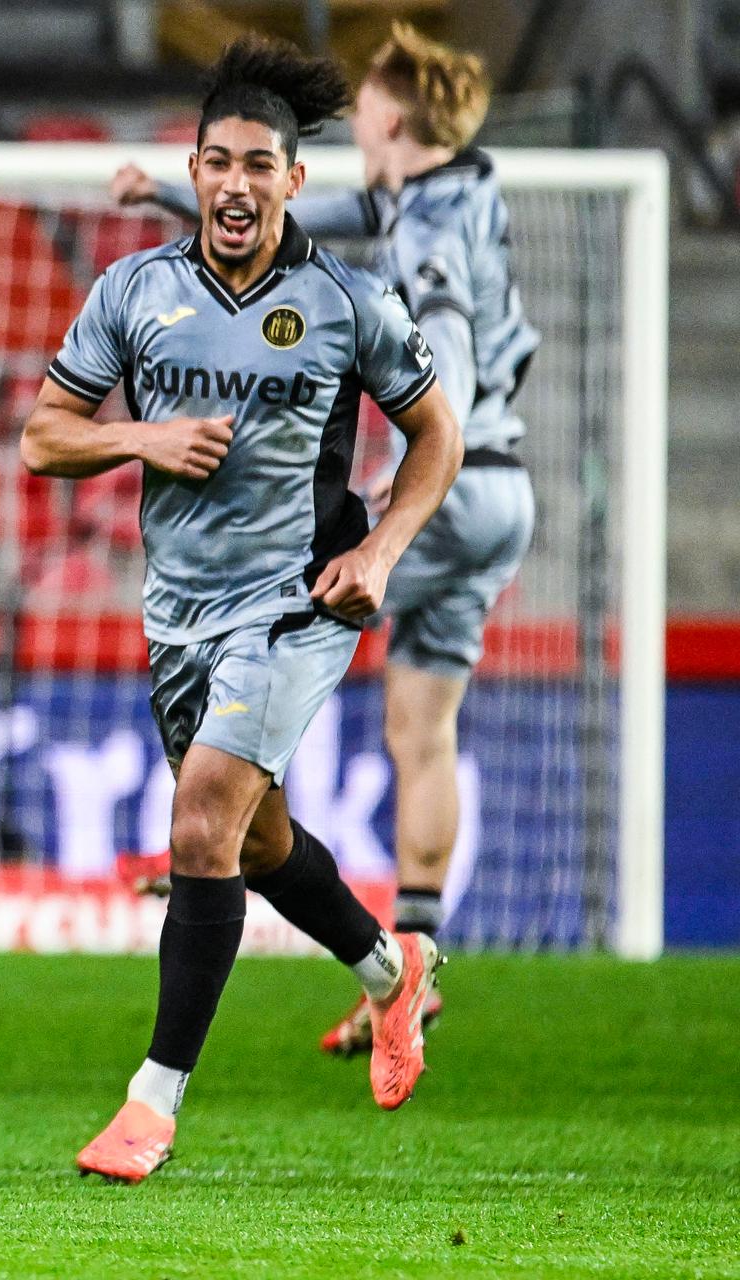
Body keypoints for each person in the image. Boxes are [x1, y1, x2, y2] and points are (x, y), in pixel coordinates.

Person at [20, 36, 463, 1183]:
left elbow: (437, 434)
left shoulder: (347, 302)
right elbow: (44, 433)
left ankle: (150, 1106)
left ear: (293, 182)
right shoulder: (134, 292)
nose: (235, 185)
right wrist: (140, 437)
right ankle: (390, 968)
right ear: (195, 168)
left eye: (259, 165)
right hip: (180, 613)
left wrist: (380, 546)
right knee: (257, 843)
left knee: (205, 820)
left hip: (301, 597)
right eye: (217, 161)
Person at [115, 24, 539, 1056]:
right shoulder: (452, 191)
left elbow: (442, 340)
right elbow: (335, 211)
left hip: (445, 473)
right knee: (419, 730)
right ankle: (414, 951)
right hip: (505, 495)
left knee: (280, 588)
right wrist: (173, 196)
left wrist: (412, 474)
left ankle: (213, 819)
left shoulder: (429, 222)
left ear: (389, 116)